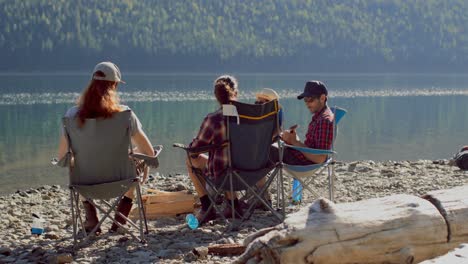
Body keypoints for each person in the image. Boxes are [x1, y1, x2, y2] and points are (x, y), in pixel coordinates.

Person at [57, 62, 155, 233]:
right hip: (122, 181)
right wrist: (138, 155)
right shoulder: (125, 114)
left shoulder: (71, 115)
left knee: (75, 164)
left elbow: (61, 157)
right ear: (115, 85)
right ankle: (120, 221)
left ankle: (91, 219)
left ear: (91, 83)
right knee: (137, 161)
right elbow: (150, 153)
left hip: (85, 184)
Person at [186, 75, 242, 224]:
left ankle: (207, 207)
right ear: (235, 92)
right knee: (232, 159)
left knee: (190, 158)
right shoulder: (250, 115)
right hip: (251, 171)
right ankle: (233, 205)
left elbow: (195, 150)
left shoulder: (214, 119)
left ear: (216, 96)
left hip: (224, 173)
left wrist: (190, 146)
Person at [272, 80, 334, 165]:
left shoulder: (324, 121)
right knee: (272, 143)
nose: (307, 104)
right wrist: (294, 139)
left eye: (311, 100)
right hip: (301, 157)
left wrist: (295, 142)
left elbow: (320, 158)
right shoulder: (319, 116)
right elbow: (311, 147)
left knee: (267, 151)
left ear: (322, 98)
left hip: (303, 162)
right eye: (305, 100)